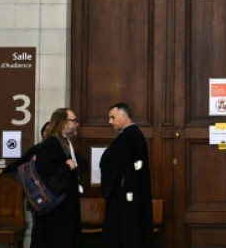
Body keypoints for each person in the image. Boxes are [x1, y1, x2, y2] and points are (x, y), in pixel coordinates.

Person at [31, 108, 88, 248]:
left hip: (64, 204)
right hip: (56, 207)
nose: (77, 124)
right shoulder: (52, 142)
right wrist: (67, 167)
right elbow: (45, 171)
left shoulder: (64, 142)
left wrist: (73, 168)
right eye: (73, 120)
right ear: (63, 122)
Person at [100, 102, 153, 248]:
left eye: (113, 117)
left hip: (126, 197)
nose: (110, 121)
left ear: (124, 116)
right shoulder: (132, 135)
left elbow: (112, 162)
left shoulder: (130, 135)